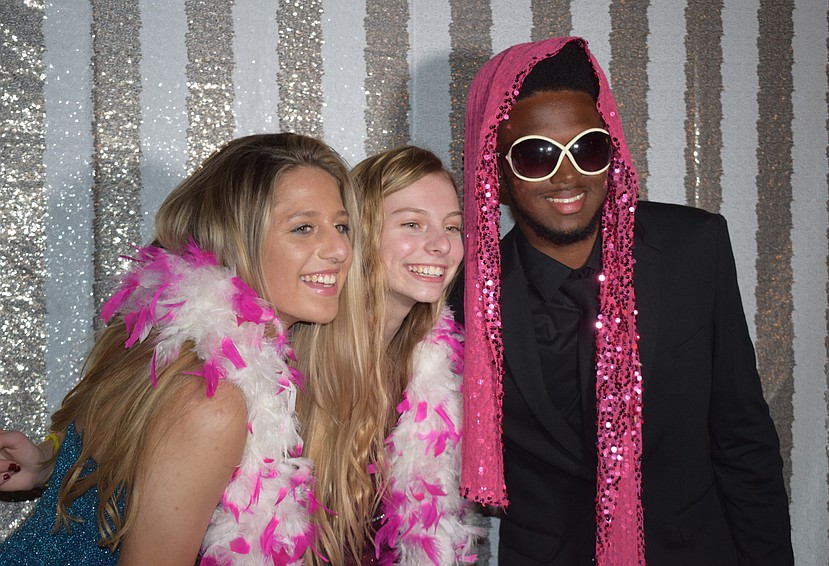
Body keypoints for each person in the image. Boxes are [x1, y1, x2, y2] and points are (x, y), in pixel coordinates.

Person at [458, 37, 793, 565]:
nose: (567, 175)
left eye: (587, 147)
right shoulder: (464, 298)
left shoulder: (691, 248)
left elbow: (742, 435)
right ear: (494, 174)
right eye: (536, 155)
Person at [0, 132, 364, 564]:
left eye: (341, 226)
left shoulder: (173, 346)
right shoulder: (211, 401)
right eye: (303, 228)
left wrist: (48, 461)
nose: (341, 248)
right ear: (234, 240)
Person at [299, 145, 481, 565]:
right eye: (413, 224)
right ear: (361, 234)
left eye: (452, 228)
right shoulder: (294, 359)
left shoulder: (434, 371)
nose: (440, 245)